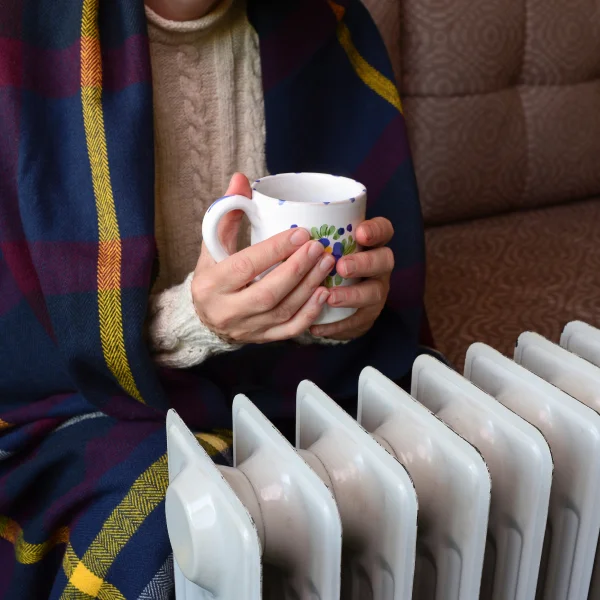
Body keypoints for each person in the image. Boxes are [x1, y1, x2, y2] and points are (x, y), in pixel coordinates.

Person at [0, 0, 426, 597]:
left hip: (297, 376)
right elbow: (16, 343)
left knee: (426, 466)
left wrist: (348, 308)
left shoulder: (326, 22)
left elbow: (381, 262)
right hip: (88, 405)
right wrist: (195, 322)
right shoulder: (23, 37)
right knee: (177, 522)